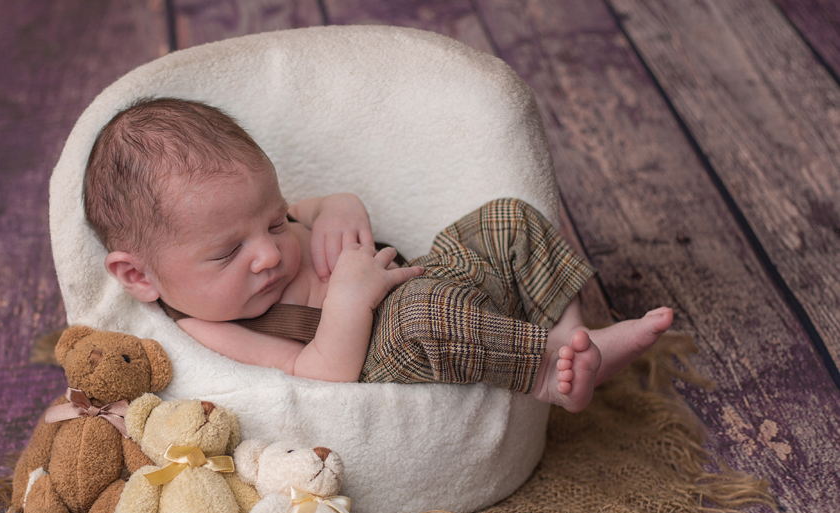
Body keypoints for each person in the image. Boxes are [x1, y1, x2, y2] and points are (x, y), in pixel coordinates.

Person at [83, 98, 672, 413]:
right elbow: (318, 374)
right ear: (138, 275)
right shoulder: (207, 330)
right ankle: (546, 372)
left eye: (271, 218)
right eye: (230, 252)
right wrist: (347, 300)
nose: (269, 251)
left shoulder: (259, 222)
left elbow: (321, 206)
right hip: (392, 343)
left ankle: (573, 339)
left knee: (504, 217)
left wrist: (340, 207)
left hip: (432, 273)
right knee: (421, 318)